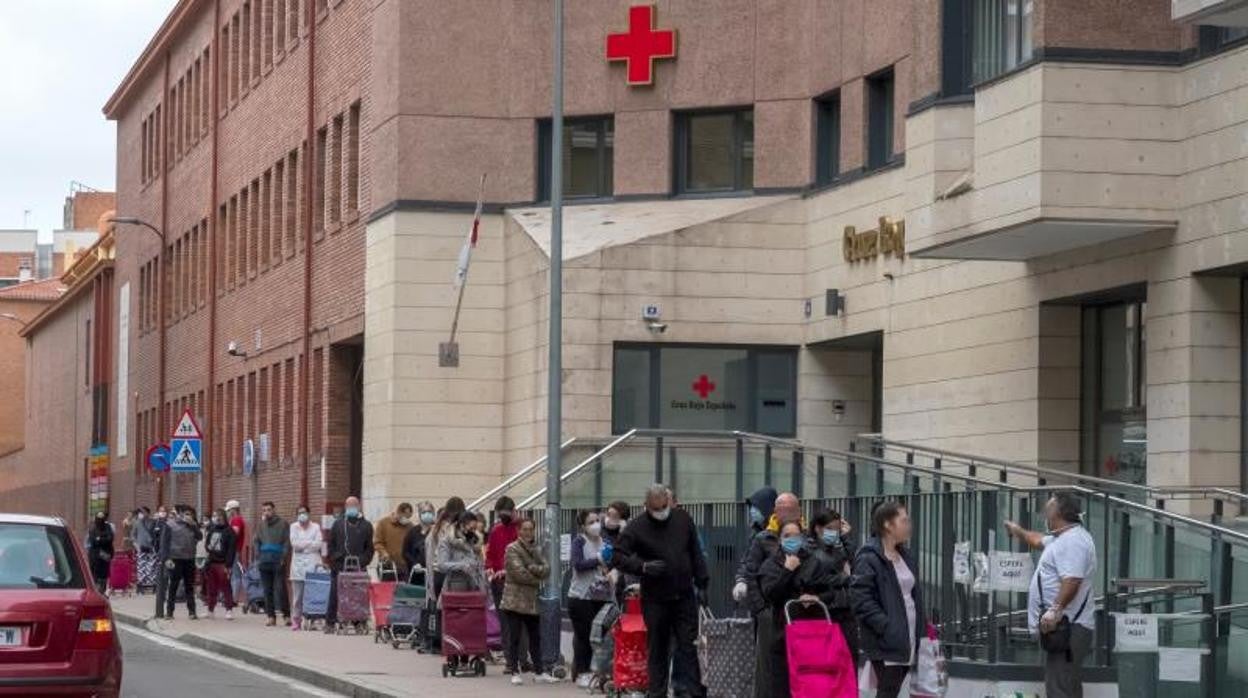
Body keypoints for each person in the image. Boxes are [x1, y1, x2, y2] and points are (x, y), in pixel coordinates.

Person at [614, 484, 709, 698]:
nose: (661, 512)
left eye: (664, 507)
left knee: (688, 645)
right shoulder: (636, 527)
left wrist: (702, 583)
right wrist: (642, 567)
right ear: (646, 506)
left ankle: (692, 691)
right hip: (656, 598)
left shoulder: (682, 519)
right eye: (656, 509)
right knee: (658, 648)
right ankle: (657, 693)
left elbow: (696, 553)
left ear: (668, 501)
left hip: (684, 594)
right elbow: (618, 556)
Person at [1006, 491, 1097, 698]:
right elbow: (1038, 540)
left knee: (1059, 688)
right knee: (1066, 684)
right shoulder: (1062, 538)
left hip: (1069, 626)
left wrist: (1054, 610)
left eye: (1049, 509)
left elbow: (1072, 580)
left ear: (1059, 512)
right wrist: (1018, 531)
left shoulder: (1073, 541)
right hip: (1066, 626)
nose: (1045, 513)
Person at [759, 520, 852, 698]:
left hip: (812, 634)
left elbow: (829, 591)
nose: (792, 540)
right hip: (783, 635)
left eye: (796, 535)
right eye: (787, 536)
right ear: (779, 540)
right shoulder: (770, 565)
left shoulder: (813, 561)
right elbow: (771, 594)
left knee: (811, 685)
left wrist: (816, 598)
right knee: (783, 686)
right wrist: (787, 570)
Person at [851, 500, 924, 698]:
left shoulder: (905, 555)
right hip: (887, 639)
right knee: (888, 690)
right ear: (887, 525)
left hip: (906, 637)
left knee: (891, 690)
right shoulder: (869, 557)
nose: (909, 525)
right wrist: (886, 626)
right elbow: (861, 599)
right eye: (904, 520)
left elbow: (913, 595)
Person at [738, 490, 799, 698]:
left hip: (797, 613)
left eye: (790, 509)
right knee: (768, 668)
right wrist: (761, 609)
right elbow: (750, 571)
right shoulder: (763, 538)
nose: (786, 513)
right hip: (770, 613)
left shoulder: (806, 539)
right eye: (782, 509)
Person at [500, 517, 559, 685]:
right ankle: (514, 670)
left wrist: (533, 569)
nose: (527, 533)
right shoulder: (512, 549)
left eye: (530, 529)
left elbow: (547, 568)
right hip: (514, 600)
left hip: (531, 601)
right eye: (524, 529)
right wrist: (537, 577)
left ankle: (540, 671)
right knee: (515, 637)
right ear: (518, 531)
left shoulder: (536, 549)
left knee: (535, 637)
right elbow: (519, 573)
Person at [568, 510, 614, 687]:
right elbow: (578, 564)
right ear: (583, 526)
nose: (596, 525)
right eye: (591, 522)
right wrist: (598, 559)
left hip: (601, 596)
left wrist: (611, 567)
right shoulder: (579, 542)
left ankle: (598, 671)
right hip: (581, 597)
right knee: (584, 635)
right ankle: (582, 672)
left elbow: (611, 563)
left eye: (597, 520)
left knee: (600, 636)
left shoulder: (605, 542)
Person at [810, 509, 859, 665]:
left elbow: (854, 564)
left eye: (837, 529)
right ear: (818, 528)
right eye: (830, 528)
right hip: (825, 610)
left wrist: (846, 538)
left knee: (849, 660)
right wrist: (843, 579)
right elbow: (814, 578)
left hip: (845, 609)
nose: (834, 533)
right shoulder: (810, 549)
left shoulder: (837, 549)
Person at [326, 495, 374, 632]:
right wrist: (336, 559)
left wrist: (362, 561)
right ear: (345, 507)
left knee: (359, 595)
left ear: (359, 506)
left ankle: (359, 621)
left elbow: (369, 548)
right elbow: (331, 546)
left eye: (354, 505)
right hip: (340, 566)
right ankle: (330, 621)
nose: (351, 508)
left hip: (359, 566)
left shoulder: (366, 526)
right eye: (349, 506)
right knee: (335, 594)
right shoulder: (338, 524)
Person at [161, 505, 202, 620]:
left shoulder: (192, 525)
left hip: (189, 559)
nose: (188, 516)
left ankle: (192, 612)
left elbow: (200, 537)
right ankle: (169, 612)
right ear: (179, 513)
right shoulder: (170, 525)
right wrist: (166, 558)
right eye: (186, 513)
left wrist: (193, 525)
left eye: (190, 514)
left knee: (189, 586)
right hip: (175, 558)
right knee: (173, 586)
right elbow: (164, 543)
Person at [254, 501, 291, 627]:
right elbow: (256, 541)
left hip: (278, 559)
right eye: (264, 510)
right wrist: (258, 555)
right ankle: (271, 616)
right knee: (267, 589)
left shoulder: (283, 524)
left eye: (269, 509)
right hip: (264, 560)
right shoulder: (260, 525)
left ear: (274, 510)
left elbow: (286, 541)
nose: (266, 512)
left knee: (281, 588)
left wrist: (283, 556)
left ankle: (286, 615)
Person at [288, 504, 325, 631]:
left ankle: (312, 619)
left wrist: (304, 546)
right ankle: (296, 619)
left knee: (313, 594)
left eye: (304, 512)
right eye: (299, 513)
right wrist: (309, 544)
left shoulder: (315, 527)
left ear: (309, 514)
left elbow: (318, 544)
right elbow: (294, 544)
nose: (302, 515)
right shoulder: (294, 527)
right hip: (297, 566)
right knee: (297, 596)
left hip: (312, 564)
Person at [426, 496, 466, 601]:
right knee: (454, 610)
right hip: (454, 574)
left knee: (441, 611)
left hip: (438, 573)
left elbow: (429, 554)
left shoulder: (436, 528)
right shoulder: (458, 529)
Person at [202, 508, 238, 619]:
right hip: (212, 562)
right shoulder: (212, 529)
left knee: (226, 587)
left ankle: (229, 609)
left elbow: (231, 550)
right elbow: (207, 543)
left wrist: (228, 565)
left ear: (223, 517)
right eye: (214, 516)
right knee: (211, 587)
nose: (216, 518)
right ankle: (210, 610)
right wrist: (208, 548)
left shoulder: (229, 531)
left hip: (223, 563)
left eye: (218, 515)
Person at [374, 502, 414, 580]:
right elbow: (377, 542)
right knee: (387, 590)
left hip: (404, 567)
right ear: (399, 513)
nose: (407, 519)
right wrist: (383, 553)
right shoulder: (383, 523)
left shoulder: (410, 526)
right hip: (388, 565)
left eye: (409, 517)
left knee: (403, 590)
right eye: (405, 517)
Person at [402, 501, 435, 583]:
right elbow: (405, 552)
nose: (427, 514)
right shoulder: (412, 532)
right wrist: (414, 563)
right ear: (420, 514)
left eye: (429, 512)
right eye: (424, 512)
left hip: (434, 574)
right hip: (416, 575)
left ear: (433, 514)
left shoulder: (437, 531)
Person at [86, 511, 115, 594]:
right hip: (95, 555)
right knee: (94, 574)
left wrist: (99, 538)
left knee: (104, 574)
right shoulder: (92, 528)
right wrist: (103, 539)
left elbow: (110, 538)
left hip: (105, 554)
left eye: (102, 518)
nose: (100, 521)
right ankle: (94, 591)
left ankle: (102, 591)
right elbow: (93, 541)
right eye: (99, 518)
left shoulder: (108, 527)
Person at [150, 506, 170, 615]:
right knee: (159, 574)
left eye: (164, 511)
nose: (162, 513)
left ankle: (164, 594)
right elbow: (152, 536)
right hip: (158, 552)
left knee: (165, 575)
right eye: (160, 511)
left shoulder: (168, 523)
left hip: (167, 553)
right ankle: (160, 596)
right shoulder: (156, 523)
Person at [226, 499, 247, 567]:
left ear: (233, 510)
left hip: (234, 550)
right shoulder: (235, 520)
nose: (227, 512)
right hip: (234, 550)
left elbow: (234, 535)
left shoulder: (236, 520)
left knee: (235, 573)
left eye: (228, 510)